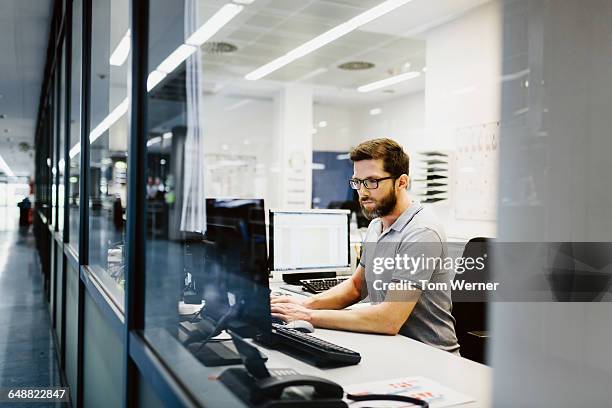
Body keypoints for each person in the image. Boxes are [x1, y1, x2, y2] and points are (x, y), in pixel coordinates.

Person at [271, 138, 459, 354]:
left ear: (401, 182)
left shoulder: (421, 232)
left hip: (430, 355)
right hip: (394, 347)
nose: (363, 191)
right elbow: (356, 287)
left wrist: (307, 316)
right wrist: (304, 304)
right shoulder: (376, 226)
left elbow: (389, 319)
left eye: (372, 181)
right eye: (357, 182)